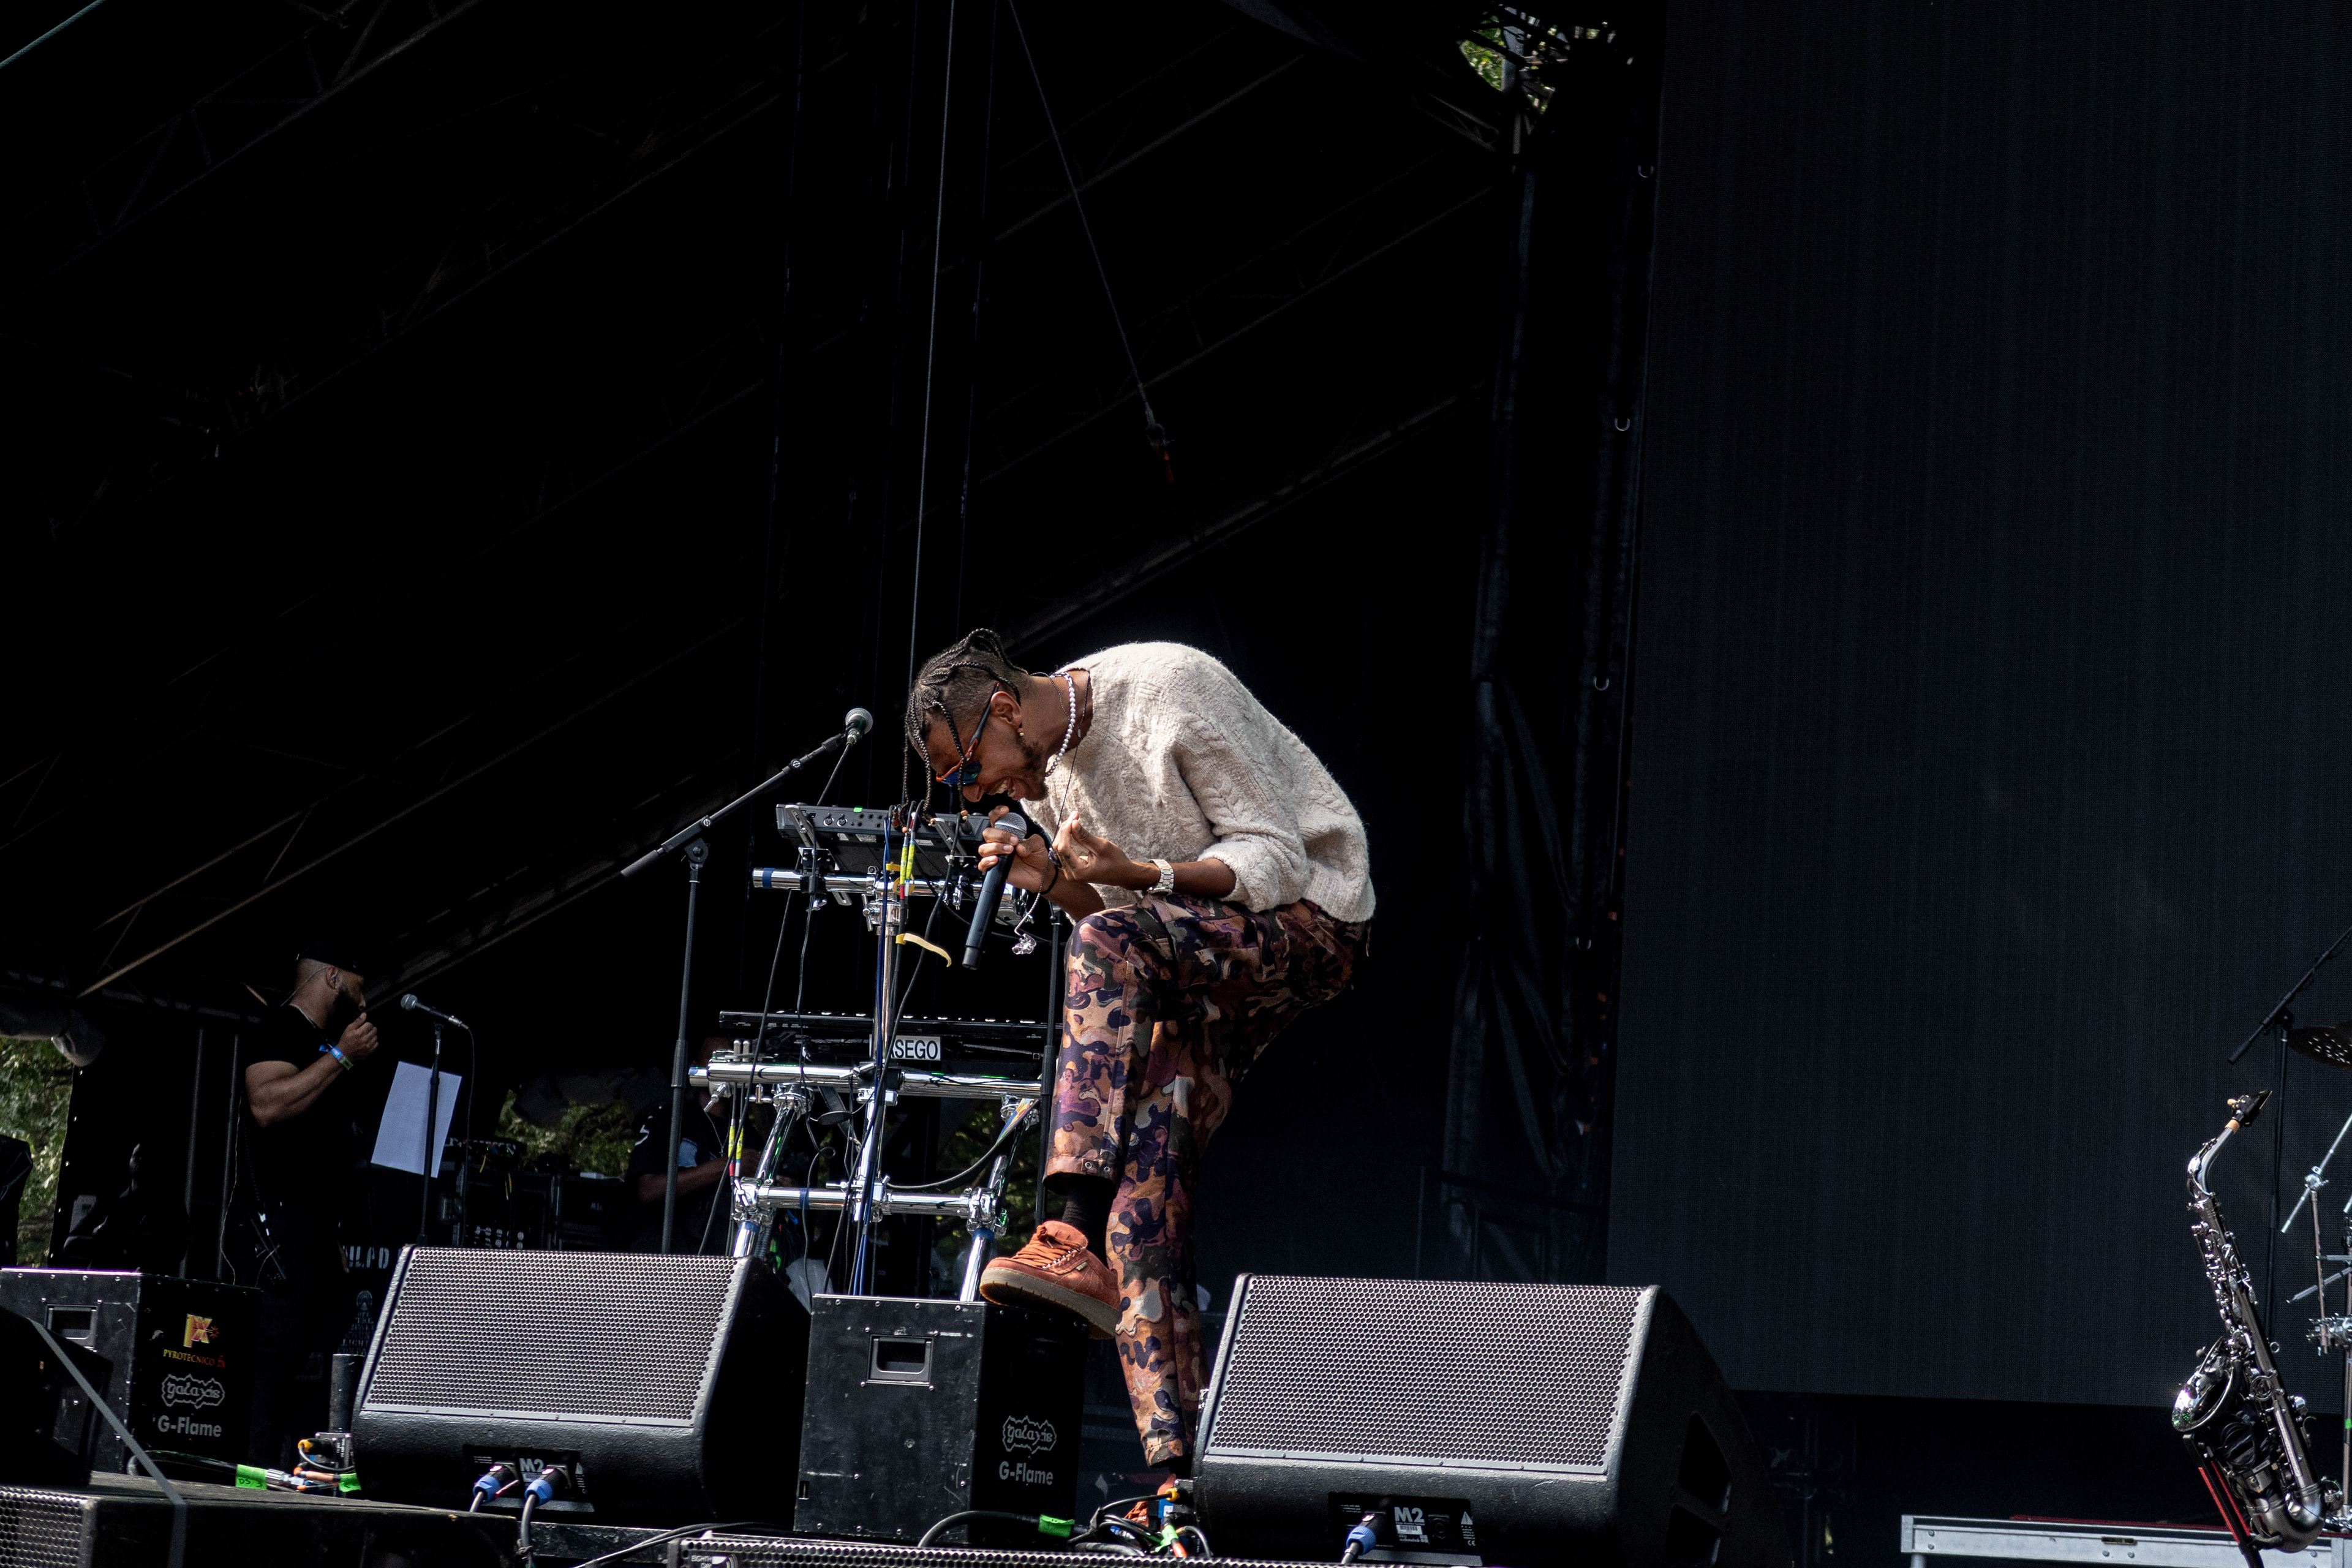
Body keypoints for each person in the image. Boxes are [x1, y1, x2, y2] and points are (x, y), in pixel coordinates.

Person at [905, 630, 1374, 1474]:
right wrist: (1053, 880)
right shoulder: (1044, 775)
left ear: (1004, 710)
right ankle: (1175, 1489)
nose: (977, 798)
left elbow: (1273, 862)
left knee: (1113, 945)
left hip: (1313, 920)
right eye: (956, 787)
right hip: (1187, 958)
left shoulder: (1170, 686)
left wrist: (1142, 872)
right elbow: (1112, 926)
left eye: (968, 772)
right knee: (1142, 1201)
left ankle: (1063, 1227)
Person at [229, 938, 382, 1466]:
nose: (365, 1005)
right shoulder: (280, 1030)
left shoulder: (322, 1043)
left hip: (316, 1232)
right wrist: (341, 1056)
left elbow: (316, 1156)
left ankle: (304, 1473)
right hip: (276, 1233)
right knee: (270, 1360)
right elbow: (267, 1106)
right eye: (359, 990)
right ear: (334, 977)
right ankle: (249, 1483)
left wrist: (333, 1233)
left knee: (322, 1361)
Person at [626, 1036, 733, 1253]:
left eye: (731, 1062)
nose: (725, 1069)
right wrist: (720, 1169)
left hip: (722, 1265)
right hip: (665, 1262)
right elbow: (648, 1191)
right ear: (695, 1068)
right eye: (716, 1061)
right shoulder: (669, 1117)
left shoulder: (749, 1135)